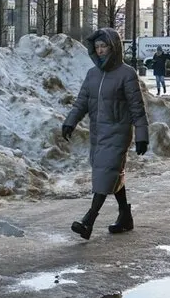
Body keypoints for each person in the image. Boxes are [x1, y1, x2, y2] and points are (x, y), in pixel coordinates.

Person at [61, 28, 150, 239]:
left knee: (105, 174)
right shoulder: (92, 74)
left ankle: (88, 221)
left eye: (104, 47)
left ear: (114, 48)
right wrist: (70, 122)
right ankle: (125, 216)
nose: (100, 51)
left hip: (119, 131)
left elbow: (137, 107)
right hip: (98, 132)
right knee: (110, 173)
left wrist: (142, 135)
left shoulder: (127, 74)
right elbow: (82, 102)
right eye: (98, 47)